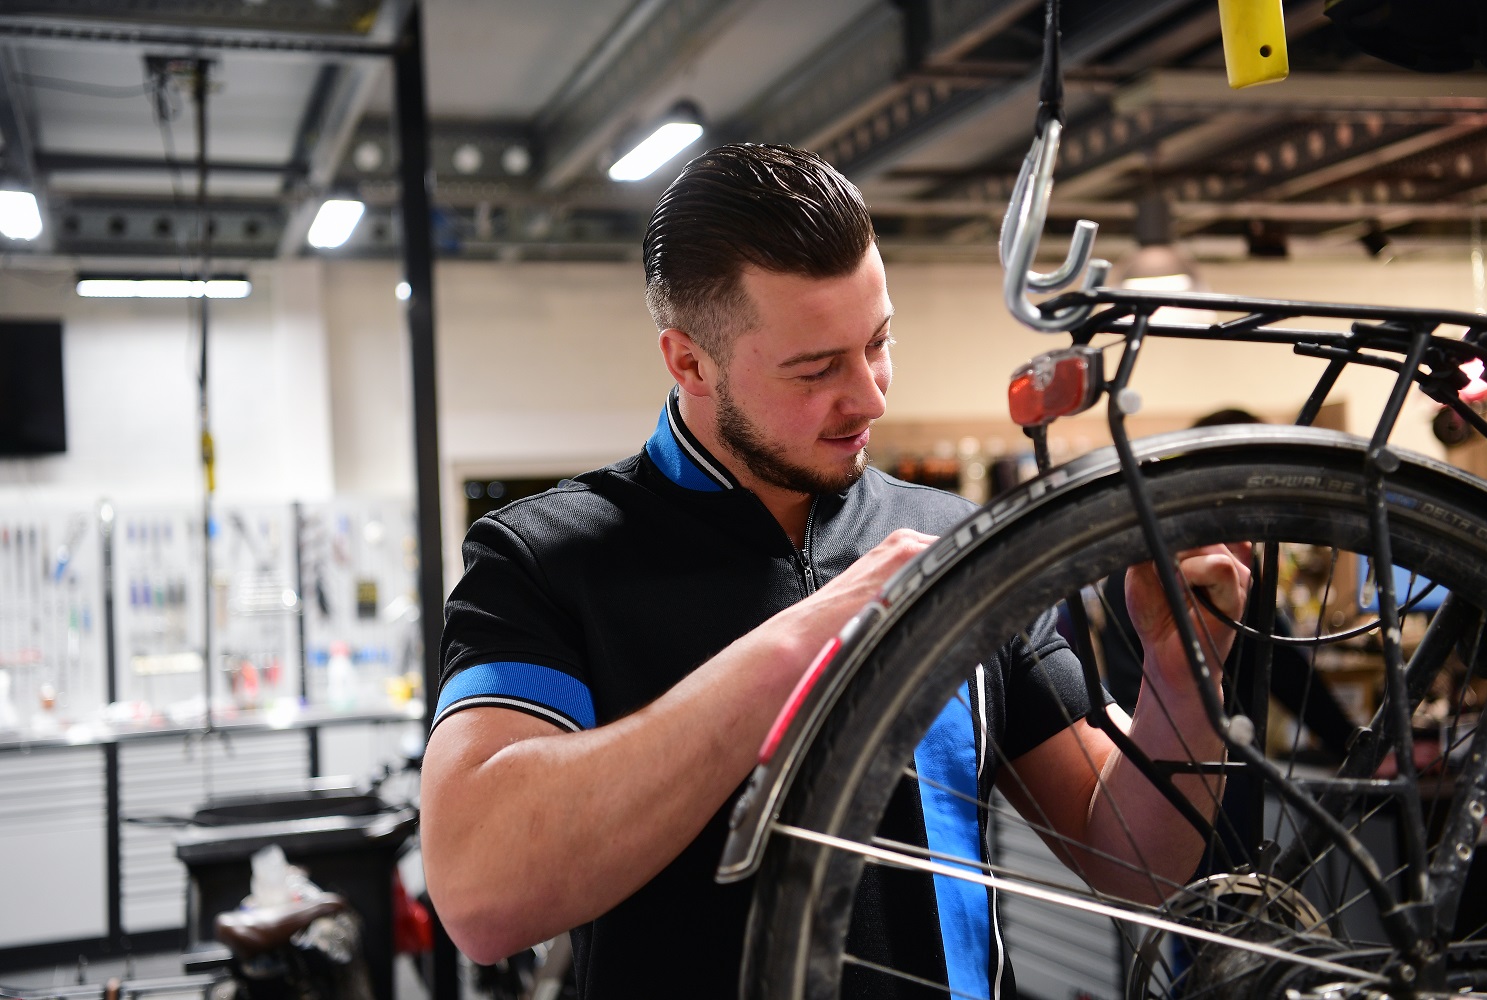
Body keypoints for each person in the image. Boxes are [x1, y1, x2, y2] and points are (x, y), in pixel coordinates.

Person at [420, 143, 1251, 999]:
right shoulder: (543, 557)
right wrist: (804, 641)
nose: (870, 397)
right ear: (688, 361)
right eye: (816, 369)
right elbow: (481, 899)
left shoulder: (950, 536)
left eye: (879, 343)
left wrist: (1182, 674)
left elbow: (1139, 868)